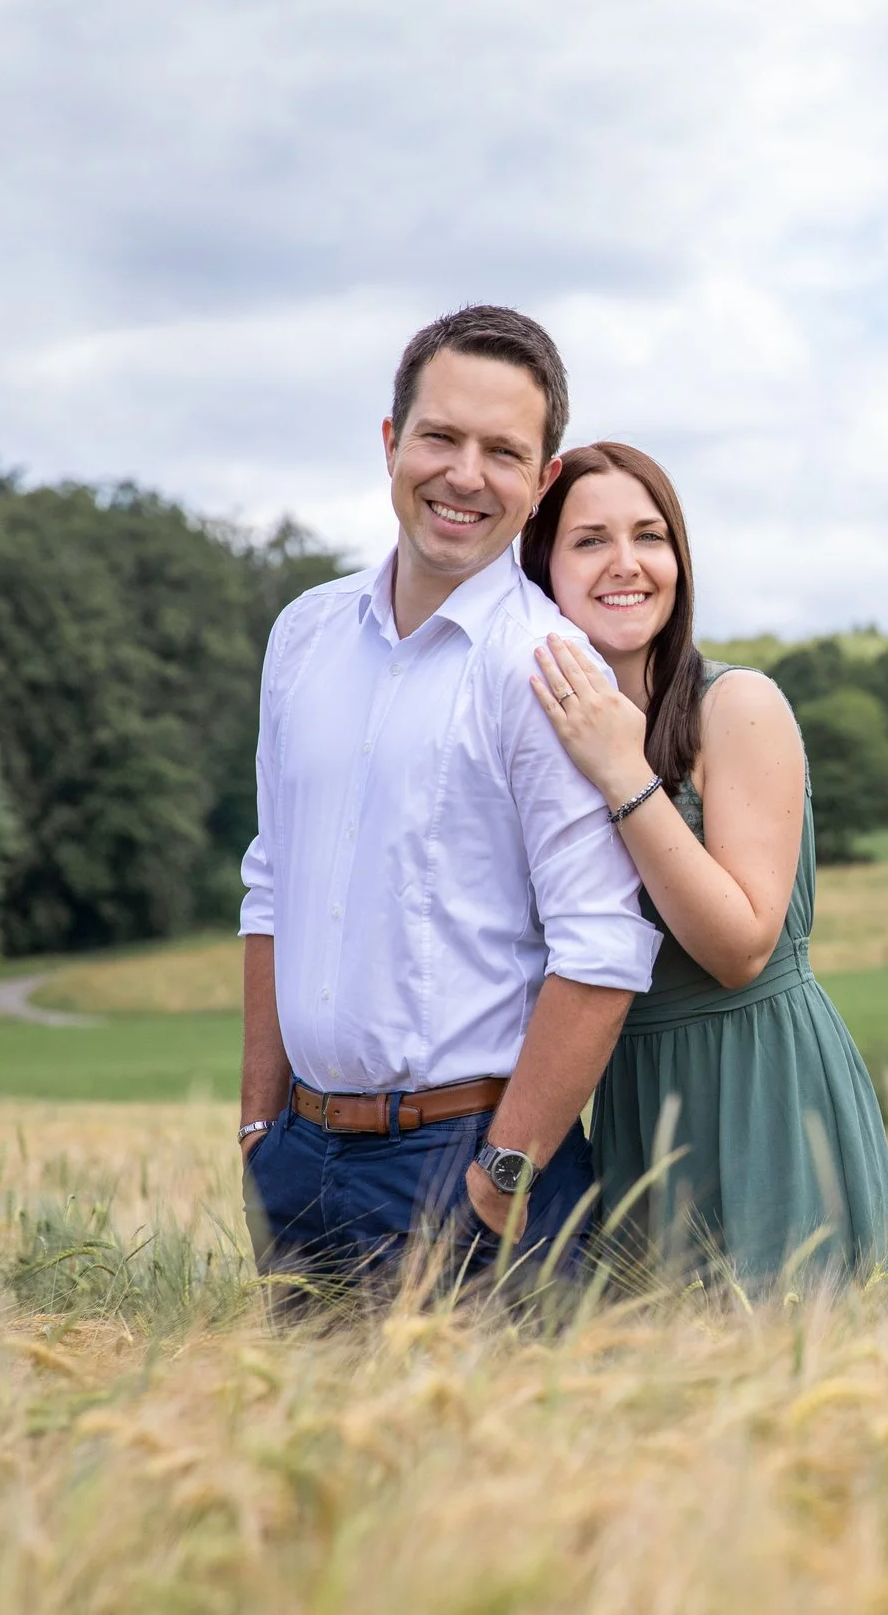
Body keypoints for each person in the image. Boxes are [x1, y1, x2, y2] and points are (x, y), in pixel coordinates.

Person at [235, 308, 661, 1302]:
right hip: (299, 1163)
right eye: (440, 437)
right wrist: (259, 1127)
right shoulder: (302, 636)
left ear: (542, 480)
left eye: (503, 451)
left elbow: (602, 945)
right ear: (391, 442)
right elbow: (271, 883)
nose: (465, 475)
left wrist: (499, 1180)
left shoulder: (548, 667)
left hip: (467, 1164)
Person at [518, 441, 888, 1287]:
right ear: (542, 567)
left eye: (650, 536)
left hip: (765, 1093)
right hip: (631, 1110)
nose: (626, 562)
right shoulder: (535, 737)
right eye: (590, 540)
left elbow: (740, 947)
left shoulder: (739, 706)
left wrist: (623, 771)